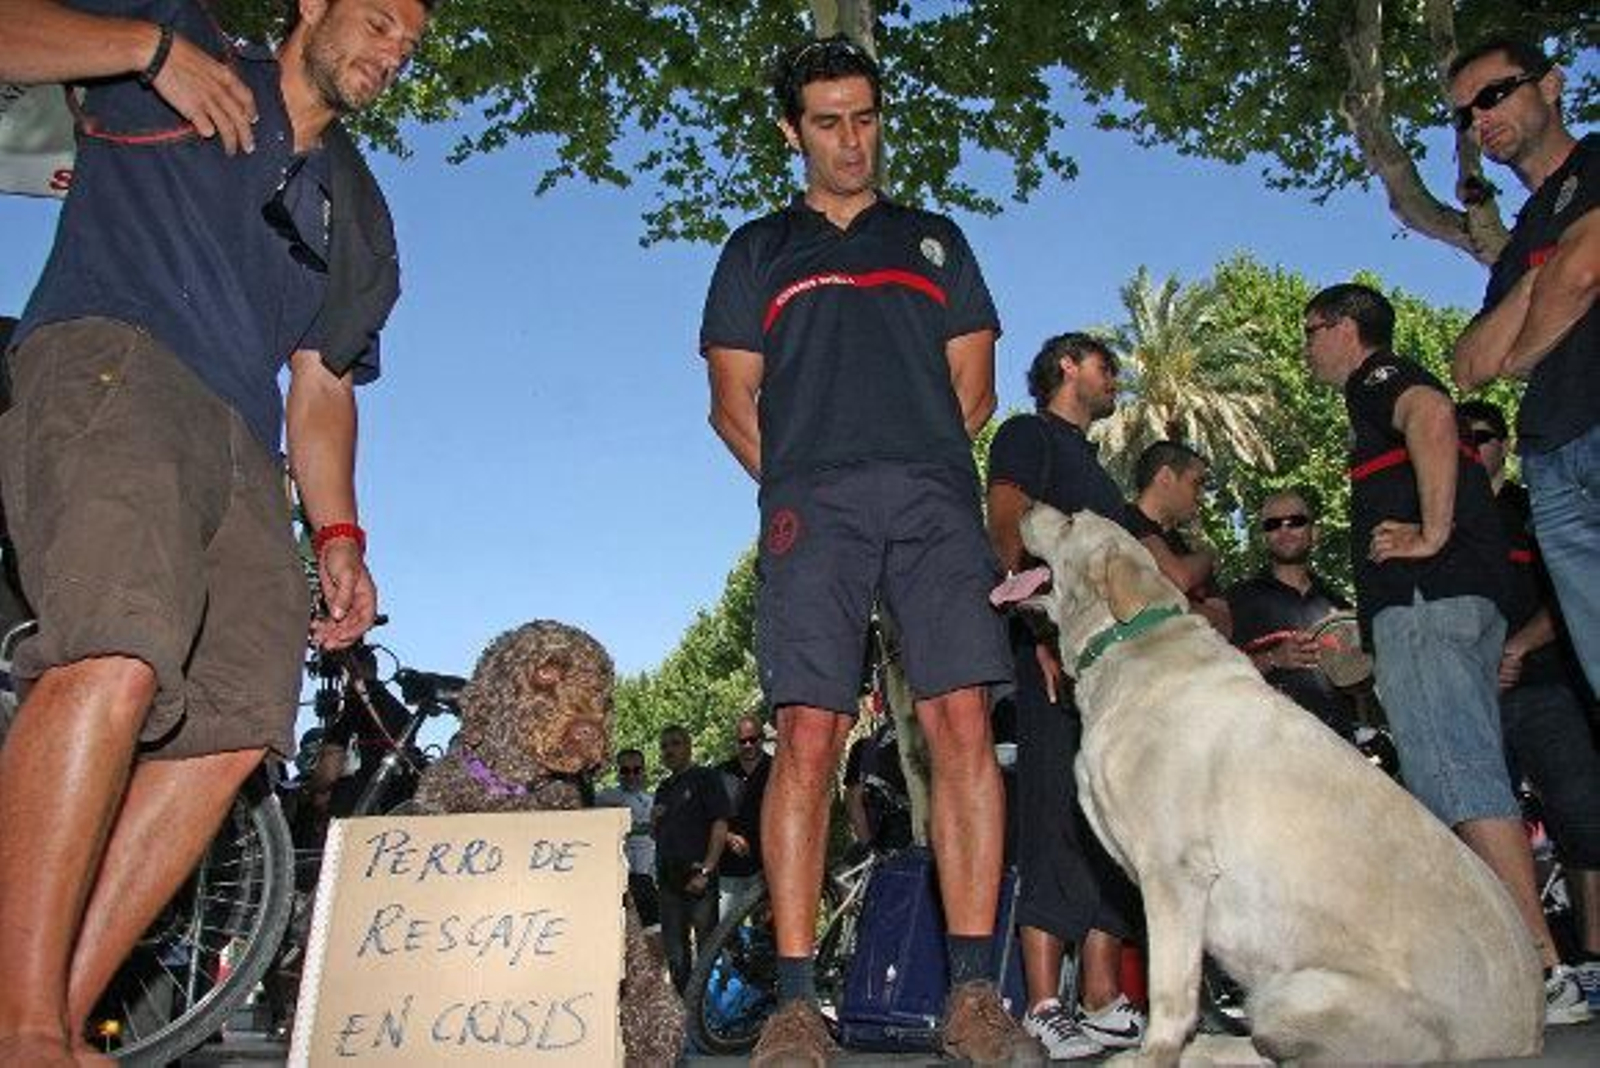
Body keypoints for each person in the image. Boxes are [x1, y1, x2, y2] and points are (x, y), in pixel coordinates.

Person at [0, 1, 430, 1062]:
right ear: (312, 7)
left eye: (407, 44)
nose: (389, 52)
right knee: (118, 648)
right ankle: (21, 1027)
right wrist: (145, 52)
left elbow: (322, 385)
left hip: (247, 441)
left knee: (242, 716)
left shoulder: (361, 218)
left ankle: (59, 1011)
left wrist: (339, 534)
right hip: (118, 361)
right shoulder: (176, 41)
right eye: (375, 21)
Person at [700, 33, 1032, 1066]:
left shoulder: (936, 241)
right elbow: (730, 406)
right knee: (805, 735)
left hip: (934, 498)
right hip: (813, 510)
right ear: (791, 131)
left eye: (866, 118)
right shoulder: (757, 250)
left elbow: (972, 393)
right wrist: (805, 485)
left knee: (961, 722)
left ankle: (974, 994)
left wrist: (917, 469)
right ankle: (796, 1006)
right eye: (829, 122)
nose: (853, 142)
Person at [1302, 281, 1587, 1024]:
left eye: (1309, 332)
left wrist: (1429, 534)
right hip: (1451, 605)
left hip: (1428, 602)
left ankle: (1538, 965)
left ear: (1342, 327)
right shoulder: (1372, 399)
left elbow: (1431, 415)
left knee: (1459, 776)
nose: (1305, 350)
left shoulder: (1379, 379)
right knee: (1454, 777)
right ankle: (1506, 964)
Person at [985, 333, 1147, 1060]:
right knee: (1051, 815)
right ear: (1068, 366)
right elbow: (1009, 517)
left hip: (1115, 672)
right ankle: (1044, 1005)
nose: (1117, 379)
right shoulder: (1029, 435)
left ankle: (1103, 999)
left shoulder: (1096, 469)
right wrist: (1039, 622)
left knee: (1115, 822)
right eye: (1107, 366)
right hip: (1051, 652)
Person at [1450, 39, 1598, 697]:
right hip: (1553, 464)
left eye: (1493, 94)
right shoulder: (1522, 238)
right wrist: (1541, 279)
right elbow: (1470, 363)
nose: (1479, 119)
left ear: (1552, 83)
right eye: (1462, 114)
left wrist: (1522, 349)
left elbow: (1585, 266)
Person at [1460, 398, 1600, 1012]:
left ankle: (1593, 960)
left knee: (1584, 819)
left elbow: (1573, 589)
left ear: (1506, 445)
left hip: (1544, 683)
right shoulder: (1446, 518)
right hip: (1474, 698)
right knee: (1479, 828)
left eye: (1484, 436)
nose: (1473, 447)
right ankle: (1515, 969)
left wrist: (1518, 646)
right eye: (1460, 437)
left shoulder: (1540, 509)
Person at [1224, 490, 1360, 739]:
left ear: (1314, 533)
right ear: (1264, 536)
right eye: (1273, 524)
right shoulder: (1235, 600)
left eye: (1295, 522)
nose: (1284, 531)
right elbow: (1220, 675)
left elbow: (1359, 687)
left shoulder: (1339, 605)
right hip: (1269, 747)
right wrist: (1273, 658)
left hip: (1339, 747)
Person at [651, 725, 731, 994]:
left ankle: (710, 1013)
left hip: (698, 876)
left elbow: (720, 825)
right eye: (664, 746)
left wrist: (707, 870)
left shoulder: (706, 778)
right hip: (667, 880)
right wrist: (654, 821)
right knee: (675, 952)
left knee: (708, 950)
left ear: (688, 746)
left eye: (675, 744)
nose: (669, 750)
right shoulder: (663, 787)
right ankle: (683, 1014)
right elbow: (657, 835)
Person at [1124, 441, 1231, 636]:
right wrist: (1208, 557)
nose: (1201, 495)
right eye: (1196, 483)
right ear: (1165, 477)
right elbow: (1180, 577)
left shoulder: (1185, 549)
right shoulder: (1122, 524)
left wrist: (1171, 606)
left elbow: (1225, 626)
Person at [597, 748, 660, 929]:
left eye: (636, 770)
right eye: (625, 770)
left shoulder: (655, 799)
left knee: (652, 930)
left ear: (644, 771)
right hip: (618, 878)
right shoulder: (604, 798)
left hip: (650, 878)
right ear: (618, 772)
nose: (631, 775)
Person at [716, 712, 771, 915]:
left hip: (768, 868)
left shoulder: (778, 770)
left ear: (762, 738)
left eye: (752, 739)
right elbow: (708, 818)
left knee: (770, 932)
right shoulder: (721, 773)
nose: (748, 745)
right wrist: (728, 837)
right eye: (742, 741)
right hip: (730, 870)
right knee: (724, 933)